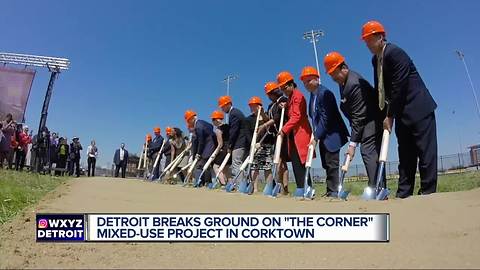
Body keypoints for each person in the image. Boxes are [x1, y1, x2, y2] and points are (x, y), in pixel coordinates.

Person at [361, 20, 438, 198]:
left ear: (380, 37)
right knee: (405, 155)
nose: (367, 45)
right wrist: (384, 115)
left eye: (370, 40)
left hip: (418, 109)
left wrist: (389, 115)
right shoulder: (376, 60)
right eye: (365, 42)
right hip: (401, 112)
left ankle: (428, 193)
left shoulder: (395, 53)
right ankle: (403, 194)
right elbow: (381, 89)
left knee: (426, 154)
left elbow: (399, 86)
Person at [324, 51, 385, 189]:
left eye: (335, 73)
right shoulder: (343, 81)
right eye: (331, 75)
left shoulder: (353, 84)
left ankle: (377, 188)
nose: (334, 78)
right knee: (369, 152)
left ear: (344, 68)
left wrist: (352, 145)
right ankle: (378, 186)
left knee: (368, 151)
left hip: (371, 119)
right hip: (362, 120)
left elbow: (358, 117)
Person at [300, 66, 349, 197]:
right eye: (304, 82)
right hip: (323, 135)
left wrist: (315, 137)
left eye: (309, 80)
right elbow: (314, 117)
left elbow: (326, 118)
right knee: (326, 164)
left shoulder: (325, 93)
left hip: (332, 135)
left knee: (332, 164)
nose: (306, 84)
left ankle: (334, 191)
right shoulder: (312, 95)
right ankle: (330, 190)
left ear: (317, 79)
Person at [276, 71, 313, 197]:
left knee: (302, 163)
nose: (284, 91)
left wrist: (283, 130)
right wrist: (284, 105)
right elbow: (290, 108)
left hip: (301, 134)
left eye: (285, 88)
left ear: (291, 84)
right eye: (281, 89)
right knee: (296, 163)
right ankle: (300, 188)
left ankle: (307, 188)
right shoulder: (291, 97)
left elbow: (296, 116)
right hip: (293, 136)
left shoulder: (298, 96)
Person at [260, 82, 290, 195]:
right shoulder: (271, 105)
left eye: (269, 94)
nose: (268, 96)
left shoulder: (282, 100)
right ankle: (282, 188)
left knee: (281, 161)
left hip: (283, 134)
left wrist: (264, 125)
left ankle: (283, 188)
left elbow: (277, 118)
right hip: (275, 136)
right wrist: (263, 114)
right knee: (280, 162)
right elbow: (268, 119)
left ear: (274, 92)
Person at [218, 96, 250, 189]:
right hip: (242, 142)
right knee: (239, 163)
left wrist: (230, 145)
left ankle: (240, 186)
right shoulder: (235, 112)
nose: (222, 109)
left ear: (228, 104)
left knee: (236, 163)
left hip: (240, 142)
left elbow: (234, 131)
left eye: (223, 107)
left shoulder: (234, 114)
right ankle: (242, 184)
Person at [245, 96, 274, 193]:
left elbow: (270, 126)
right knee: (254, 167)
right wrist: (253, 144)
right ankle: (255, 188)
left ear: (259, 106)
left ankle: (269, 187)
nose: (252, 108)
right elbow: (247, 134)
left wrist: (262, 113)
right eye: (251, 106)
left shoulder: (266, 117)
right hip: (254, 147)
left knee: (267, 167)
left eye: (254, 106)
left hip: (266, 145)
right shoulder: (249, 119)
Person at [184, 110, 216, 186]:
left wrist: (198, 153)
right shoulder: (202, 122)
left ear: (192, 119)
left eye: (188, 121)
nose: (188, 123)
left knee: (200, 165)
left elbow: (200, 141)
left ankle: (199, 182)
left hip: (208, 146)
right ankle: (206, 182)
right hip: (210, 145)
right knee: (205, 165)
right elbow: (211, 127)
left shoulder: (198, 127)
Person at [210, 111, 230, 186]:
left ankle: (223, 183)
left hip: (223, 150)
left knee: (216, 166)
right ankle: (230, 184)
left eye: (213, 120)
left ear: (217, 120)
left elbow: (220, 144)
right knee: (226, 168)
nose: (212, 122)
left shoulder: (218, 130)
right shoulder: (228, 126)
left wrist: (215, 154)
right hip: (230, 149)